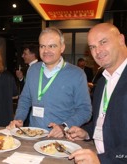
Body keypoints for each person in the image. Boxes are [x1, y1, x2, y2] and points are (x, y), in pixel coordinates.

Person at [7, 27, 92, 138]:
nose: (46, 51)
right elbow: (25, 99)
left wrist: (64, 126)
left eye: (52, 46)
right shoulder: (33, 70)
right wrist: (19, 118)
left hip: (62, 140)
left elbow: (85, 110)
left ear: (62, 47)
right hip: (33, 136)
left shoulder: (77, 74)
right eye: (42, 46)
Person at [67, 23, 127, 164]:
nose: (97, 51)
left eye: (103, 42)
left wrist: (102, 160)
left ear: (121, 40)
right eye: (92, 47)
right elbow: (104, 121)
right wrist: (87, 132)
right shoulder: (101, 83)